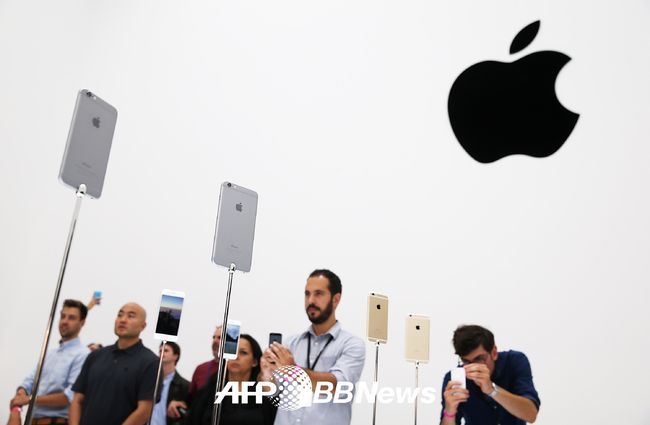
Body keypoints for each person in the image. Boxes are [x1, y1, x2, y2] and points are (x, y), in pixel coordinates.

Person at [263, 269, 366, 425]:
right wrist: (266, 376)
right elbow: (273, 393)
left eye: (318, 294)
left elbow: (338, 385)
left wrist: (293, 371)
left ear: (336, 299)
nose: (310, 300)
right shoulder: (291, 343)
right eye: (307, 294)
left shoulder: (352, 345)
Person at [69, 302, 159, 425]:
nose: (123, 320)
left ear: (143, 326)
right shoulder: (95, 356)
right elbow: (77, 399)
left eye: (131, 316)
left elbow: (144, 410)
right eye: (120, 315)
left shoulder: (151, 362)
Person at [9, 299, 90, 424]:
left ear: (82, 323)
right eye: (63, 316)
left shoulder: (83, 355)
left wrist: (29, 399)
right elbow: (29, 381)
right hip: (33, 420)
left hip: (57, 421)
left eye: (71, 318)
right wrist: (21, 394)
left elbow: (69, 396)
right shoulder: (49, 354)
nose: (65, 321)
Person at [440, 325, 541, 425]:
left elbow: (531, 415)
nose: (473, 366)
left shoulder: (514, 362)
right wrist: (449, 412)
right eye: (466, 361)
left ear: (494, 353)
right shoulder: (455, 379)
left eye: (479, 359)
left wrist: (492, 390)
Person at [185, 334, 276, 425]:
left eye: (243, 352)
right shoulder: (209, 391)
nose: (236, 357)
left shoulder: (263, 394)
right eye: (232, 352)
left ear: (254, 362)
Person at [166, 325, 222, 420]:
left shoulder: (237, 370)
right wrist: (176, 404)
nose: (215, 341)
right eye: (214, 337)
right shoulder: (201, 369)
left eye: (219, 338)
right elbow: (190, 401)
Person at [151, 342, 189, 425]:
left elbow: (189, 414)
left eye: (166, 350)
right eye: (160, 351)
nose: (162, 353)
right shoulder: (149, 381)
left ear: (175, 356)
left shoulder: (185, 386)